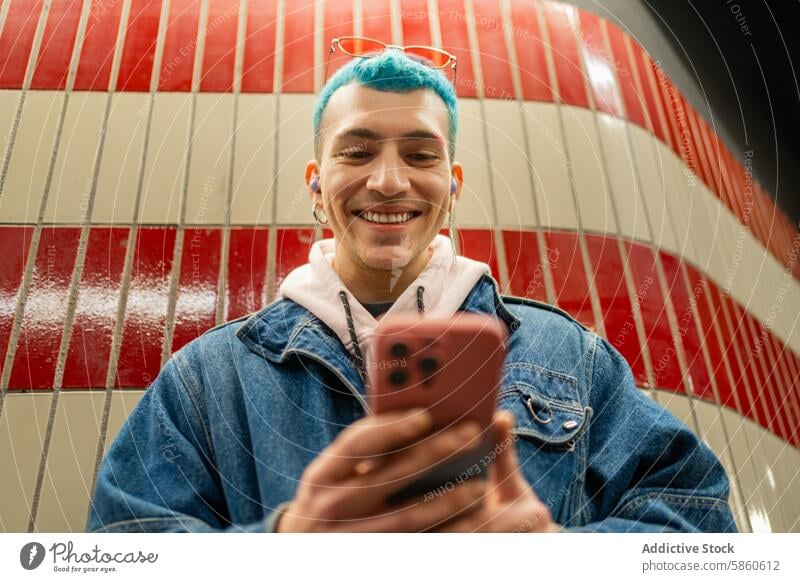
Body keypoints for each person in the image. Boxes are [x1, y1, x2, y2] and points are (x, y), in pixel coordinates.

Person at [86, 47, 736, 533]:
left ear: (452, 189)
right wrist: (283, 548)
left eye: (420, 155)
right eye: (358, 151)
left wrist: (560, 557)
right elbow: (117, 553)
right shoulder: (208, 380)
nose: (390, 181)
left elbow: (701, 524)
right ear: (317, 188)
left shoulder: (571, 358)